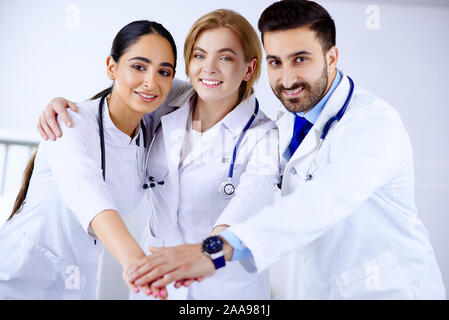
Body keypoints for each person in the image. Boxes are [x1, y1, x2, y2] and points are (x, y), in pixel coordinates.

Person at [125, 0, 446, 300]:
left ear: (331, 58)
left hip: (391, 291)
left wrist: (213, 249)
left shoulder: (373, 124)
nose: (287, 77)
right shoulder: (293, 121)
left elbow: (322, 200)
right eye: (276, 62)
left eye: (300, 59)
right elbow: (137, 92)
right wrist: (81, 110)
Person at [36, 9, 279, 300]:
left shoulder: (265, 136)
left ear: (249, 69)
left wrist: (206, 256)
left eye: (225, 58)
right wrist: (63, 103)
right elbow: (124, 94)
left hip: (224, 287)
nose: (209, 68)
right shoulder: (169, 97)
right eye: (199, 55)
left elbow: (244, 210)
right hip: (156, 283)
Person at [0, 20, 178, 299]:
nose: (151, 81)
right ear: (111, 67)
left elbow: (204, 91)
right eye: (139, 66)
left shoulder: (150, 128)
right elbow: (87, 192)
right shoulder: (69, 124)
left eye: (163, 71)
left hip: (75, 284)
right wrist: (138, 263)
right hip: (16, 280)